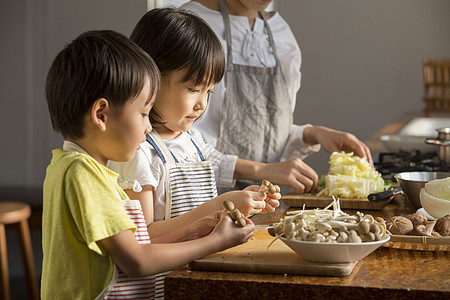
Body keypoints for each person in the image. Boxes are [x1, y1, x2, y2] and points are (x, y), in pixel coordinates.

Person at [41, 29, 255, 299]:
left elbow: (130, 248)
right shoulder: (83, 175)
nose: (148, 126)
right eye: (143, 113)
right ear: (101, 115)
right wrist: (216, 241)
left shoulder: (73, 167)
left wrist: (192, 231)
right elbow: (136, 261)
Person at [108, 8, 280, 297]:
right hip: (160, 289)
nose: (202, 104)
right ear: (150, 79)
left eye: (209, 92)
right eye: (193, 88)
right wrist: (217, 205)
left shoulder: (193, 140)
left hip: (197, 282)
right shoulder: (138, 152)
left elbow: (217, 184)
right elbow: (142, 237)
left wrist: (241, 202)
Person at [180, 0, 373, 192]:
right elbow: (180, 147)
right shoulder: (190, 24)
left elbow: (267, 138)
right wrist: (261, 170)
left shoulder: (280, 33)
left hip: (265, 200)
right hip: (205, 201)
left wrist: (313, 134)